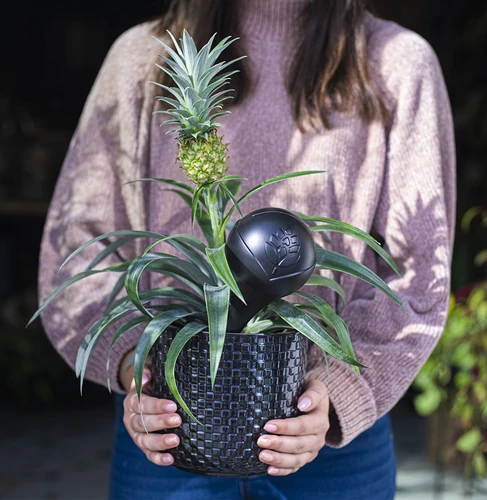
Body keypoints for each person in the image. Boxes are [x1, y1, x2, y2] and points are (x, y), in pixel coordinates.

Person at [37, 0, 456, 499]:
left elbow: (417, 275)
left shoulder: (398, 62)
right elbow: (79, 245)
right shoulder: (139, 59)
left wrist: (340, 392)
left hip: (334, 448)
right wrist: (138, 370)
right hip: (168, 427)